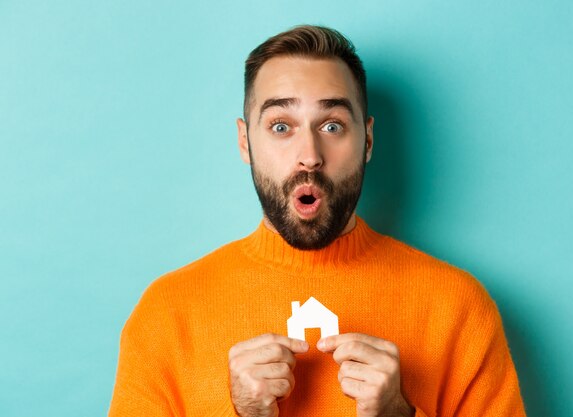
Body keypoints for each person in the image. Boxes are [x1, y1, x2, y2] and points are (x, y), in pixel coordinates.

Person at [108, 25, 526, 417]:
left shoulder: (459, 310)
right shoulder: (166, 314)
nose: (309, 154)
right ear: (244, 142)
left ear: (368, 141)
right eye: (280, 126)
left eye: (332, 125)